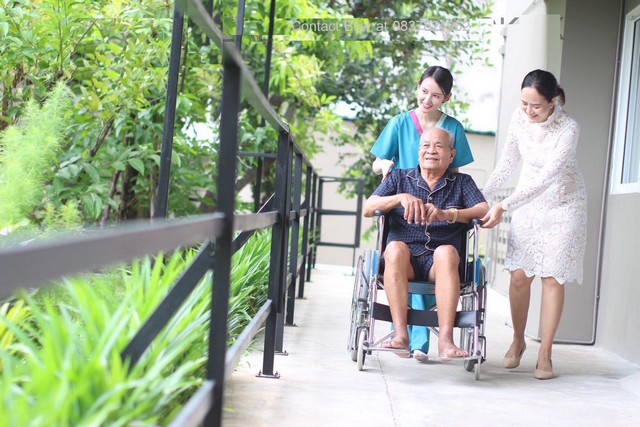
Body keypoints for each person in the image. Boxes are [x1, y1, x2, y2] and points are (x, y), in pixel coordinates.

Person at [480, 69, 587, 380]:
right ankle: (518, 339)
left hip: (564, 204)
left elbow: (546, 178)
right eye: (524, 103)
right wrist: (482, 196)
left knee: (552, 278)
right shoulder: (519, 118)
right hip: (528, 203)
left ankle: (545, 352)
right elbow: (507, 162)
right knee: (519, 276)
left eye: (536, 106)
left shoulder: (569, 129)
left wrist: (504, 205)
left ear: (552, 102)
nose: (528, 111)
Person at [369, 65, 475, 361]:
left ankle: (429, 341)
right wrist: (385, 168)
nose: (427, 100)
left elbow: (454, 172)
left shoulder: (453, 128)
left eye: (436, 95)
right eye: (424, 92)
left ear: (447, 98)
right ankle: (408, 338)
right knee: (399, 254)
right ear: (418, 87)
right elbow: (378, 161)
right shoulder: (399, 122)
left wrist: (447, 208)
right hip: (401, 199)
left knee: (442, 257)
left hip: (437, 205)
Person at [363, 127, 488, 358]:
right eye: (426, 146)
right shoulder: (399, 178)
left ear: (451, 154)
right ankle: (401, 336)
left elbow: (483, 210)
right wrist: (399, 198)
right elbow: (368, 207)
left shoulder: (462, 182)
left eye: (439, 146)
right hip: (404, 262)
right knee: (395, 248)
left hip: (440, 265)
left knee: (446, 252)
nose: (431, 151)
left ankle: (446, 341)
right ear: (418, 151)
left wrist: (448, 214)